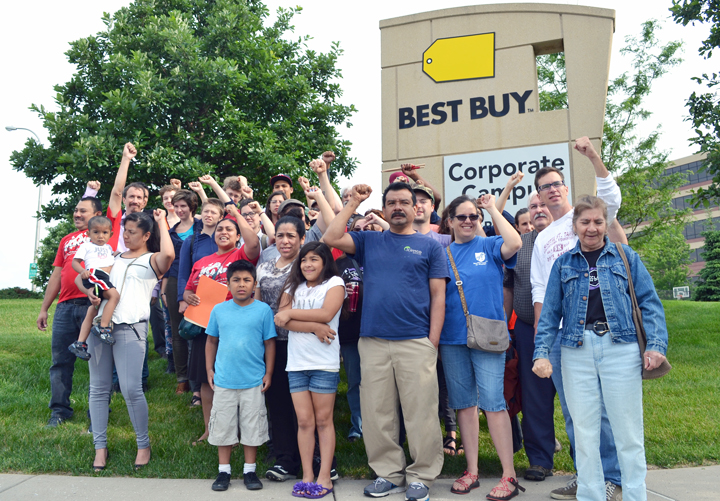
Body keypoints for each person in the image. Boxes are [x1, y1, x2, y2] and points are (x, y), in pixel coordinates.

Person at [533, 196, 668, 501]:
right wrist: (541, 352)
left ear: (606, 223)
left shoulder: (625, 257)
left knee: (628, 432)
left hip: (620, 348)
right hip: (575, 351)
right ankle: (590, 495)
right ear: (575, 226)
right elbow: (550, 314)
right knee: (584, 432)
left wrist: (656, 345)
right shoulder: (563, 264)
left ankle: (635, 495)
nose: (591, 228)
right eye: (585, 222)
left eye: (597, 221)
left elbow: (650, 302)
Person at [323, 183, 448, 501]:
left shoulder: (430, 246)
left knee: (420, 411)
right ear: (384, 208)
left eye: (404, 202)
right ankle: (388, 473)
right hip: (373, 341)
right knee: (377, 412)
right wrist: (353, 203)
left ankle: (421, 475)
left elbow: (438, 296)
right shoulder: (369, 240)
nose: (397, 207)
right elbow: (331, 237)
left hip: (416, 340)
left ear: (415, 208)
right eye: (391, 202)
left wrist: (432, 341)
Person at [530, 136, 627, 501]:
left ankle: (612, 477)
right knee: (573, 413)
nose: (552, 190)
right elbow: (540, 291)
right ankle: (586, 478)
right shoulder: (542, 239)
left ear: (565, 188)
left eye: (556, 184)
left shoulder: (586, 218)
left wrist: (592, 156)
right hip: (560, 335)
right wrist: (544, 340)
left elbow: (611, 198)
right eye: (544, 187)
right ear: (538, 196)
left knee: (600, 409)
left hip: (598, 328)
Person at [438, 195, 524, 500]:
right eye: (461, 217)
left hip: (488, 337)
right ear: (449, 221)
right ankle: (472, 471)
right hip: (452, 339)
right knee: (464, 404)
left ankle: (508, 476)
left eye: (473, 217)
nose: (467, 222)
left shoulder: (488, 245)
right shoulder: (442, 253)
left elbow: (514, 243)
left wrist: (490, 209)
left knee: (493, 403)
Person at [88, 209, 175, 472]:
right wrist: (92, 294)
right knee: (98, 389)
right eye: (124, 231)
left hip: (131, 328)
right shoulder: (112, 257)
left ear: (147, 235)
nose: (126, 236)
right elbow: (94, 282)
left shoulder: (152, 260)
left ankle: (143, 444)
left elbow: (169, 255)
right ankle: (99, 447)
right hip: (99, 327)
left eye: (132, 232)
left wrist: (162, 220)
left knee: (131, 389)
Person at [274, 242, 345, 499]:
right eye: (304, 260)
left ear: (325, 262)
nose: (308, 265)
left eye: (314, 259)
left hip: (323, 363)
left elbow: (326, 313)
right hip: (296, 364)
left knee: (324, 421)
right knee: (304, 422)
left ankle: (324, 475)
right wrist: (314, 327)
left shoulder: (334, 283)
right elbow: (281, 320)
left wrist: (293, 313)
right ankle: (307, 475)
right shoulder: (293, 286)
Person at [183, 213, 260, 446]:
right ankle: (211, 429)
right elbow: (188, 289)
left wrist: (235, 213)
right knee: (208, 381)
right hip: (203, 326)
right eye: (219, 229)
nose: (223, 232)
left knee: (235, 380)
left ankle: (237, 432)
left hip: (234, 326)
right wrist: (188, 296)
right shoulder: (201, 262)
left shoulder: (239, 256)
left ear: (238, 236)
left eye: (229, 229)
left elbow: (254, 244)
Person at [206, 260, 277, 492]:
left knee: (252, 425)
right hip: (225, 380)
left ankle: (249, 470)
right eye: (236, 280)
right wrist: (209, 370)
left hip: (253, 381)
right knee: (224, 426)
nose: (241, 284)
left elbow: (269, 343)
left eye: (247, 280)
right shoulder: (219, 310)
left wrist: (268, 372)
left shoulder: (263, 311)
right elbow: (211, 341)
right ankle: (223, 471)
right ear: (228, 284)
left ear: (254, 284)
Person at [503, 193, 557, 483]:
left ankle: (585, 460)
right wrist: (503, 326)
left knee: (578, 398)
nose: (538, 210)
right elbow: (508, 288)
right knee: (535, 398)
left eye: (543, 205)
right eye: (533, 206)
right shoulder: (520, 247)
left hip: (569, 330)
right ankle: (539, 459)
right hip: (527, 329)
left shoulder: (568, 239)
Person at [39, 193, 103, 427]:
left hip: (93, 306)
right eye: (76, 210)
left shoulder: (103, 238)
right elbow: (57, 274)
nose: (76, 214)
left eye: (82, 211)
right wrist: (45, 308)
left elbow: (117, 196)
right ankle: (59, 411)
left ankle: (96, 413)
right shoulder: (66, 240)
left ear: (97, 215)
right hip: (65, 307)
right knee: (60, 362)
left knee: (98, 362)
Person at [256, 216, 306, 482]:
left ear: (302, 239)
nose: (285, 241)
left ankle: (318, 458)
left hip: (304, 342)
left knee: (307, 404)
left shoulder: (309, 265)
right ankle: (285, 459)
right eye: (281, 235)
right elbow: (257, 304)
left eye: (291, 236)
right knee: (278, 403)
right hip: (274, 344)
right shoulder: (263, 267)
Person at [174, 198, 226, 394]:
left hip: (221, 301)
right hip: (198, 300)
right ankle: (197, 389)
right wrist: (182, 298)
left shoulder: (225, 238)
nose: (209, 215)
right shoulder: (192, 240)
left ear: (221, 217)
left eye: (213, 212)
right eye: (206, 211)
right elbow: (183, 271)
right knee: (197, 343)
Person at [67, 216, 122, 359]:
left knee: (93, 308)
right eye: (96, 232)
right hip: (95, 274)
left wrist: (115, 255)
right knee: (114, 296)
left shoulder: (108, 248)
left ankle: (79, 343)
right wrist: (82, 271)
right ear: (88, 234)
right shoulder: (86, 246)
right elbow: (75, 262)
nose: (100, 236)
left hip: (101, 277)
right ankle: (103, 328)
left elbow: (109, 258)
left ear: (111, 234)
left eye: (104, 232)